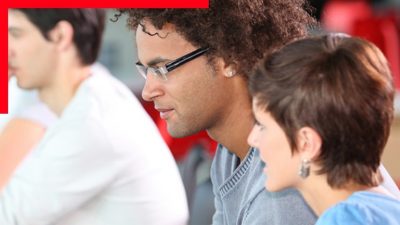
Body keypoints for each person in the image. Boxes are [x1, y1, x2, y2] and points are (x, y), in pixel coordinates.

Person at [116, 1, 400, 224]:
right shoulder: (231, 154)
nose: (147, 90)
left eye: (162, 69)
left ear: (228, 58)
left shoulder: (284, 191)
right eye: (146, 71)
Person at [3, 9, 188, 225]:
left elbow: (7, 215)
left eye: (15, 34)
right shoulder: (93, 97)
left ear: (60, 36)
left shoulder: (92, 121)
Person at [247, 34, 400, 224]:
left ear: (307, 143)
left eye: (262, 125)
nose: (252, 139)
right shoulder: (388, 208)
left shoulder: (342, 219)